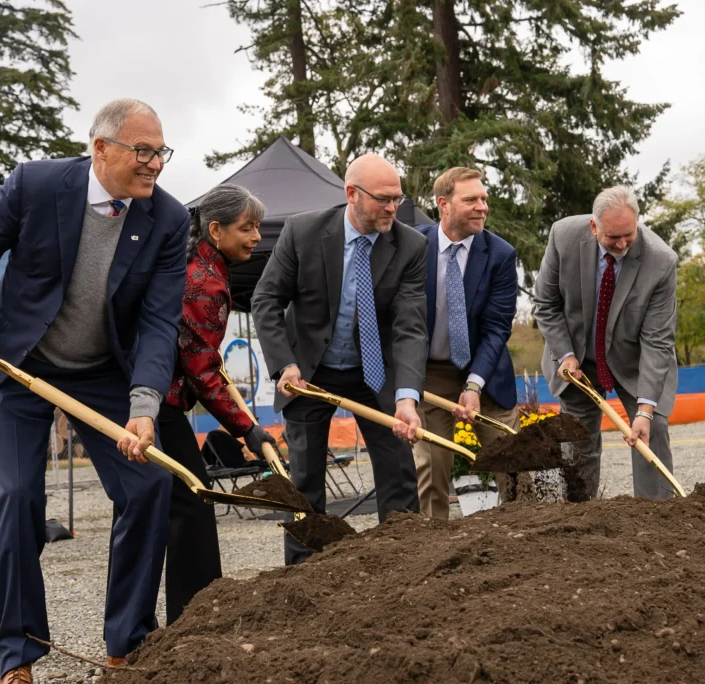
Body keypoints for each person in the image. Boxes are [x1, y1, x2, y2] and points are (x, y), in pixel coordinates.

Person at [0, 98, 189, 684]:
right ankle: (21, 651)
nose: (154, 164)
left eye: (161, 152)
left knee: (149, 482)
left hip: (101, 370)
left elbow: (159, 322)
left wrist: (143, 408)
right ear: (100, 148)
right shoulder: (35, 184)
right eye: (142, 150)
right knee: (19, 497)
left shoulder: (167, 218)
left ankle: (126, 640)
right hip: (18, 362)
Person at [251, 153, 426, 565]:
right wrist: (285, 364)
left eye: (397, 199)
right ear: (351, 193)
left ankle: (404, 565)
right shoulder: (303, 232)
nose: (391, 208)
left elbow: (410, 326)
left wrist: (406, 398)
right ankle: (304, 571)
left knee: (399, 473)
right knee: (305, 481)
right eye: (383, 199)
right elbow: (266, 299)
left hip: (375, 374)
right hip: (310, 373)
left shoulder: (411, 245)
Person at [156, 184, 278, 624]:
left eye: (259, 227)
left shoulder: (203, 266)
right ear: (215, 229)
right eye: (246, 228)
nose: (256, 237)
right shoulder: (204, 281)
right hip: (160, 403)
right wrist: (247, 428)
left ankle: (188, 611)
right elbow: (201, 371)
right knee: (193, 499)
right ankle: (194, 615)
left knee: (168, 505)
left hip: (160, 400)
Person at [533, 185, 678, 502]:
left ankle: (658, 515)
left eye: (629, 234)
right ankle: (581, 513)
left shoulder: (661, 262)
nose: (623, 244)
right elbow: (546, 304)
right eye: (614, 238)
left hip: (634, 361)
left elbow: (657, 340)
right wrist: (566, 355)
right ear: (594, 226)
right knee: (577, 437)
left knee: (652, 431)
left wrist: (645, 411)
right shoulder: (564, 237)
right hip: (577, 358)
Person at [413, 167, 519, 519]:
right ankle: (433, 545)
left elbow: (496, 328)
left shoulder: (501, 255)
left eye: (484, 199)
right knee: (432, 465)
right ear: (443, 204)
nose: (482, 207)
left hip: (486, 372)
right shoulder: (414, 246)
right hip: (433, 374)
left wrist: (474, 384)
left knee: (514, 465)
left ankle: (526, 541)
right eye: (471, 199)